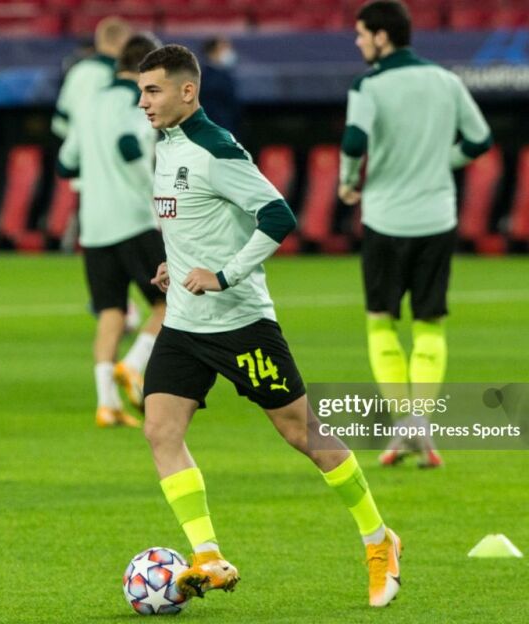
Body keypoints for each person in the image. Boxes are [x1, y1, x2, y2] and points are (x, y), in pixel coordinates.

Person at [137, 44, 403, 608]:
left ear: (188, 91)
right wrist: (175, 265)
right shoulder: (166, 146)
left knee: (302, 433)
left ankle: (379, 539)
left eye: (153, 90)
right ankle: (207, 556)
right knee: (160, 429)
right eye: (141, 92)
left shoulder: (217, 148)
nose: (144, 102)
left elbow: (278, 215)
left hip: (241, 324)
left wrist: (224, 275)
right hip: (184, 325)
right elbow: (197, 223)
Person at [338, 1, 493, 468]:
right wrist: (441, 162)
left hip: (386, 218)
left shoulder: (368, 85)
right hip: (436, 218)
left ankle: (403, 426)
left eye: (362, 34)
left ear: (382, 36)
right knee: (429, 322)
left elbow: (354, 140)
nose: (358, 42)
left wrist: (348, 181)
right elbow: (480, 139)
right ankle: (419, 423)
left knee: (380, 320)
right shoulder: (446, 80)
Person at [57, 34, 166, 429]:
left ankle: (107, 404)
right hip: (133, 218)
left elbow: (66, 162)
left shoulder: (90, 103)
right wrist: (152, 190)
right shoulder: (136, 101)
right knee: (173, 302)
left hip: (95, 224)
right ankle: (134, 365)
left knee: (111, 311)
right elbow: (128, 144)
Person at [51, 17, 132, 140]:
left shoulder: (77, 71)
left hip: (78, 148)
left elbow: (60, 123)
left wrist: (79, 143)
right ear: (123, 42)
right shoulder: (123, 75)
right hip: (114, 149)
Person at [199, 37, 239, 135]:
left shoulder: (225, 75)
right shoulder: (205, 77)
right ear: (212, 52)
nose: (228, 52)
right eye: (224, 48)